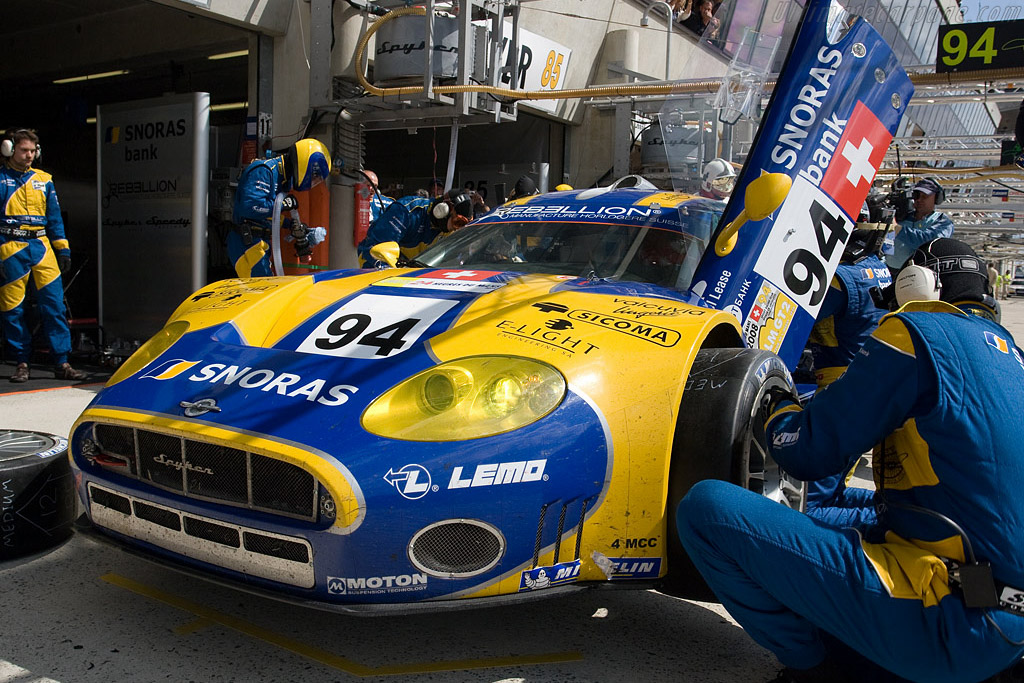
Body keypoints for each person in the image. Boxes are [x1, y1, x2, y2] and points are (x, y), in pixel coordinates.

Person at [677, 238, 1024, 683]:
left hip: (955, 622)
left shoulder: (919, 331)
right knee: (820, 510)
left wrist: (780, 406)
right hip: (1004, 611)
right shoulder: (1011, 355)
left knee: (707, 511)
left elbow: (804, 452)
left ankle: (817, 665)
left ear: (918, 284)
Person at [802, 210, 891, 530]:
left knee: (807, 505)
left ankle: (906, 525)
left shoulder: (840, 279)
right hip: (869, 388)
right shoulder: (877, 268)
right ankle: (906, 512)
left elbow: (793, 323)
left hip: (843, 395)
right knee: (834, 490)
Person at [0, 129, 87, 383]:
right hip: (10, 247)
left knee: (55, 306)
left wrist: (63, 250)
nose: (29, 155)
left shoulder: (44, 179)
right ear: (9, 149)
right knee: (12, 309)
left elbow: (54, 219)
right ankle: (21, 362)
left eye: (33, 151)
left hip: (41, 246)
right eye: (24, 150)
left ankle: (62, 362)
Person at [228, 138, 331, 277]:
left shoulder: (283, 178)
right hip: (246, 243)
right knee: (261, 293)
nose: (313, 182)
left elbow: (268, 214)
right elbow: (251, 207)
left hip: (258, 242)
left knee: (266, 290)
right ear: (305, 164)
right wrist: (282, 205)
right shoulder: (265, 171)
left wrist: (290, 225)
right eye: (314, 177)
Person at [357, 190, 474, 267]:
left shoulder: (445, 230)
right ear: (443, 209)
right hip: (372, 264)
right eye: (458, 222)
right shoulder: (406, 211)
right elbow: (376, 249)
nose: (455, 229)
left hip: (411, 272)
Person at [887, 177, 953, 270]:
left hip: (921, 274)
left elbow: (929, 243)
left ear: (936, 198)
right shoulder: (902, 217)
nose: (919, 200)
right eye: (917, 195)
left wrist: (897, 229)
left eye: (924, 196)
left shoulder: (943, 222)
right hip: (892, 271)